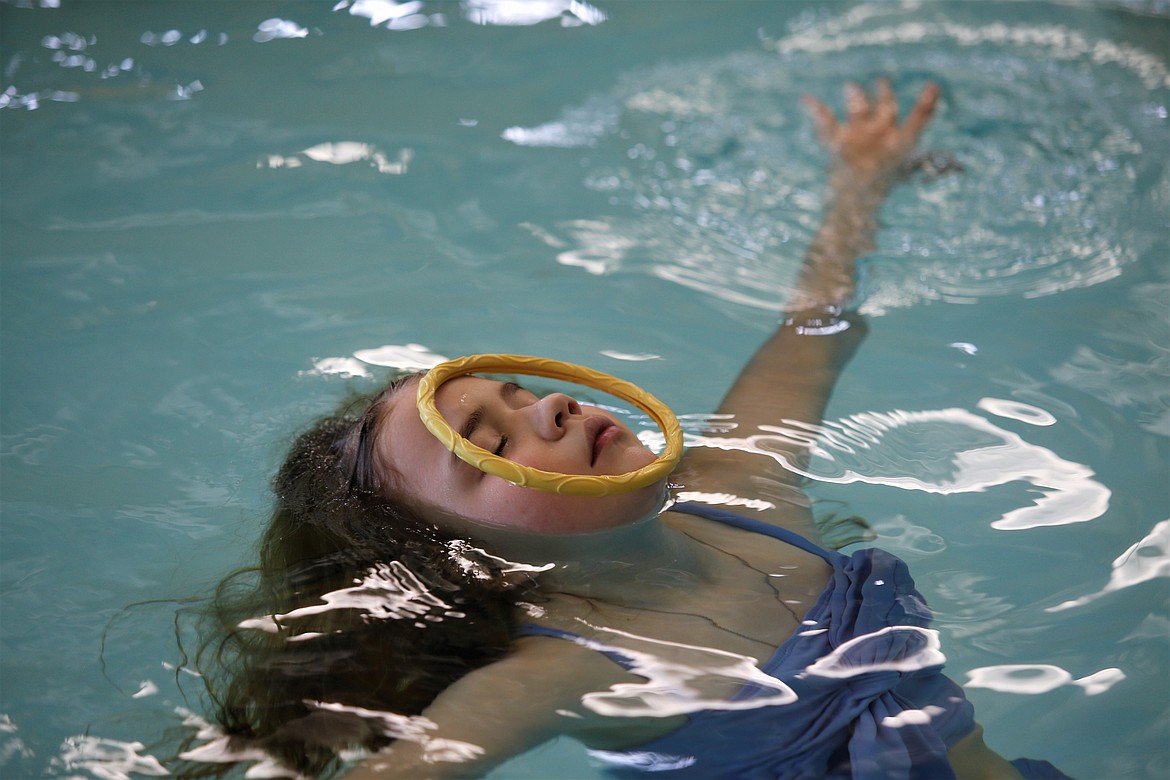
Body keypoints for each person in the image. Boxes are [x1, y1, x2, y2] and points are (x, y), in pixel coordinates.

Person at [178, 80, 1070, 779]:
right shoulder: (566, 675)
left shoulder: (741, 492)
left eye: (523, 395)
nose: (549, 408)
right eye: (491, 444)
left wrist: (857, 188)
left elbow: (811, 334)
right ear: (461, 554)